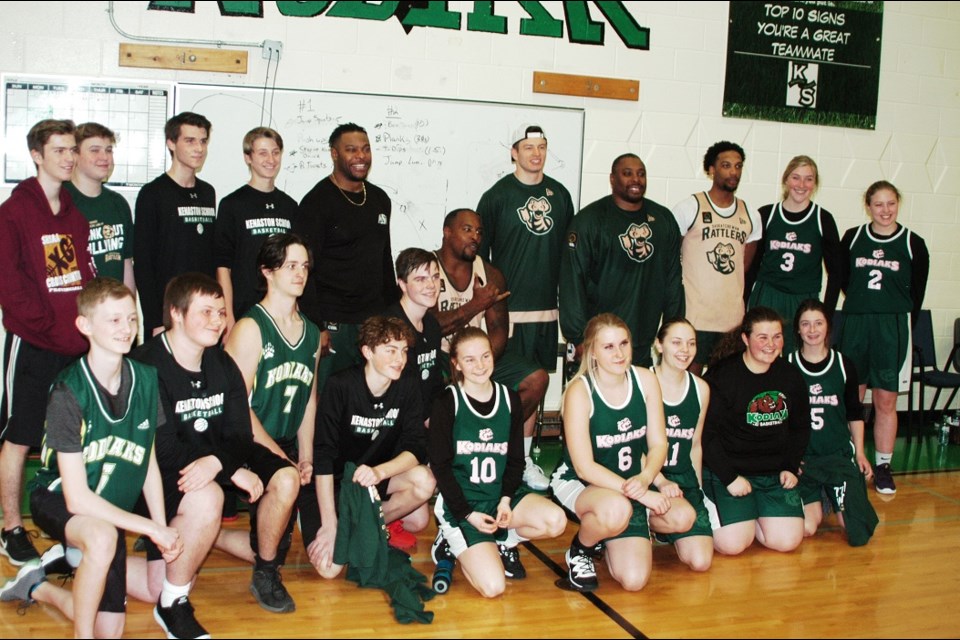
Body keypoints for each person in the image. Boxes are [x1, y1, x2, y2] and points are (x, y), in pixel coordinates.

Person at [0, 278, 182, 639]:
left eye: (131, 319)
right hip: (57, 499)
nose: (126, 328)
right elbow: (77, 498)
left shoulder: (147, 379)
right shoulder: (68, 390)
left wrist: (161, 528)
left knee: (146, 596)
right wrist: (148, 528)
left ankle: (38, 584)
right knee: (100, 538)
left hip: (107, 514)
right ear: (85, 325)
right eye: (113, 320)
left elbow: (146, 462)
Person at [0, 119, 95, 565]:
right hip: (34, 345)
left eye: (72, 149)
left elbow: (83, 278)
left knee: (67, 442)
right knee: (21, 437)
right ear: (37, 155)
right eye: (59, 150)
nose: (69, 157)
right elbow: (11, 287)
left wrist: (88, 327)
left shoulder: (74, 214)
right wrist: (50, 329)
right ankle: (10, 527)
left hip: (73, 346)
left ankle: (66, 523)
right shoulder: (15, 212)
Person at [551, 314, 693, 592]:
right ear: (592, 351)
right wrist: (641, 491)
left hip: (631, 484)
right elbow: (584, 468)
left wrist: (648, 477)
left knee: (681, 519)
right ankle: (581, 549)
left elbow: (658, 445)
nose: (619, 353)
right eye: (608, 347)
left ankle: (617, 529)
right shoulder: (579, 391)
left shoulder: (645, 380)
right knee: (616, 509)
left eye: (624, 343)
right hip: (583, 484)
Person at [429, 327, 566, 597]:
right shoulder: (447, 402)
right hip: (464, 505)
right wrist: (466, 514)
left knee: (556, 521)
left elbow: (516, 460)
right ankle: (450, 539)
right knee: (492, 588)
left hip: (499, 497)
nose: (479, 366)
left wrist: (505, 500)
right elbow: (440, 467)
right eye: (470, 360)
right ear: (456, 363)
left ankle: (503, 542)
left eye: (485, 356)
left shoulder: (509, 398)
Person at [223, 234, 319, 605]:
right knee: (284, 480)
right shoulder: (251, 327)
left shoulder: (310, 331)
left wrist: (305, 453)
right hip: (246, 438)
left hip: (285, 441)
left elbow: (309, 398)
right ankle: (265, 577)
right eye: (290, 266)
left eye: (304, 266)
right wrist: (281, 456)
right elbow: (235, 407)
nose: (300, 273)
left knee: (270, 544)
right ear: (268, 271)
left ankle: (210, 538)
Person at [431, 208, 550, 491]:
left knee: (536, 379)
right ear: (447, 232)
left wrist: (480, 366)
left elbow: (498, 331)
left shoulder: (491, 274)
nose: (475, 237)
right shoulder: (428, 269)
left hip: (479, 356)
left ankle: (512, 455)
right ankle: (442, 461)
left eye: (479, 232)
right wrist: (475, 305)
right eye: (467, 229)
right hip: (437, 355)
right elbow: (430, 327)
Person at [309, 316, 435, 576]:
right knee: (329, 570)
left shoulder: (408, 384)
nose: (399, 359)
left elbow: (416, 446)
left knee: (423, 492)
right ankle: (329, 522)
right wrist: (330, 523)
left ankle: (362, 527)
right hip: (335, 484)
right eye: (390, 350)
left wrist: (380, 472)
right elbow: (322, 455)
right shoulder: (340, 386)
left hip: (371, 478)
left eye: (403, 351)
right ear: (367, 352)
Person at [838, 181, 929, 496]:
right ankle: (852, 461)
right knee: (854, 397)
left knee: (886, 400)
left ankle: (883, 466)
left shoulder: (913, 243)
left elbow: (917, 294)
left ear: (898, 204)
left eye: (891, 203)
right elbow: (844, 281)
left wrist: (893, 318)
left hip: (892, 326)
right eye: (879, 204)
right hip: (856, 323)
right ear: (868, 205)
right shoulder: (852, 238)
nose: (885, 210)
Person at [298, 123, 399, 394]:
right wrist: (316, 326)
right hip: (334, 325)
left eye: (366, 149)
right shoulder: (315, 203)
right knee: (329, 402)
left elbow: (384, 259)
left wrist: (393, 318)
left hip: (373, 323)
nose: (361, 156)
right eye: (351, 150)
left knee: (368, 400)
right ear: (334, 154)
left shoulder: (379, 199)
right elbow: (304, 271)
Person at [701, 307, 810, 555]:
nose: (771, 344)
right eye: (762, 337)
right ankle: (720, 507)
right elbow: (706, 435)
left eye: (777, 336)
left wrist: (790, 467)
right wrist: (729, 477)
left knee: (787, 542)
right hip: (729, 474)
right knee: (732, 545)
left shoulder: (790, 376)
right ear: (745, 339)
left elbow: (801, 426)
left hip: (773, 475)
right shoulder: (722, 376)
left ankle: (758, 517)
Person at [560, 153, 683, 367]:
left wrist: (674, 331)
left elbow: (673, 280)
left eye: (641, 174)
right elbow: (572, 281)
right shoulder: (590, 221)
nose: (636, 179)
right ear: (612, 179)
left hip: (642, 340)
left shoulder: (663, 220)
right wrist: (578, 337)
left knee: (637, 397)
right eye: (627, 173)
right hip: (600, 340)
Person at [476, 124, 574, 383]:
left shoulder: (561, 195)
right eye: (529, 147)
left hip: (546, 310)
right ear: (514, 153)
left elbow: (568, 255)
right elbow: (480, 260)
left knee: (537, 383)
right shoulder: (496, 197)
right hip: (509, 311)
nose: (536, 153)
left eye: (542, 147)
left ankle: (528, 428)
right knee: (507, 384)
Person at [787, 299, 878, 546]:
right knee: (806, 528)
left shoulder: (843, 364)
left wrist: (860, 452)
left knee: (855, 529)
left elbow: (854, 413)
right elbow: (782, 421)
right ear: (798, 329)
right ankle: (822, 496)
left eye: (818, 323)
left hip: (837, 456)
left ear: (828, 327)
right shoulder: (788, 365)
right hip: (805, 461)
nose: (812, 330)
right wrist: (788, 459)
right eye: (805, 324)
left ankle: (832, 494)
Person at [672, 141, 762, 373]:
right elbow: (671, 257)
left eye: (738, 166)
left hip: (731, 319)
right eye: (726, 165)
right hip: (695, 315)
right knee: (690, 382)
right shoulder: (690, 207)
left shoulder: (750, 213)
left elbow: (745, 264)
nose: (733, 172)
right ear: (711, 169)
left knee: (725, 384)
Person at [744, 155, 841, 352]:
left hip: (803, 298)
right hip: (768, 293)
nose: (802, 184)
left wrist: (826, 312)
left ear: (815, 184)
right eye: (796, 177)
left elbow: (836, 272)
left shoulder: (823, 219)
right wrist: (743, 302)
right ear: (786, 180)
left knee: (796, 358)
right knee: (761, 352)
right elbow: (752, 266)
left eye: (809, 178)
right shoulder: (767, 214)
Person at [135, 112, 216, 337]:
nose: (198, 148)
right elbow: (143, 263)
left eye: (203, 141)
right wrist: (155, 319)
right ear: (171, 143)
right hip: (169, 315)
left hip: (203, 310)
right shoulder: (153, 194)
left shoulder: (208, 192)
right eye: (190, 141)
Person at [215, 126, 299, 340]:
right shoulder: (232, 205)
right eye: (262, 153)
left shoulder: (289, 206)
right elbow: (223, 266)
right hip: (245, 311)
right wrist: (228, 316)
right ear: (248, 158)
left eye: (276, 152)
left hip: (282, 310)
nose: (270, 159)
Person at [651, 318, 714, 571]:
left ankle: (663, 529)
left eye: (691, 344)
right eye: (676, 342)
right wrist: (658, 481)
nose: (684, 350)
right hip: (647, 478)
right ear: (659, 345)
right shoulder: (643, 382)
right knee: (680, 517)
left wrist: (698, 491)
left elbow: (695, 444)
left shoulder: (701, 389)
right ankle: (640, 522)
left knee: (701, 562)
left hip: (682, 477)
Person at [64, 122, 136, 293]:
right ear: (75, 155)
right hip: (76, 311)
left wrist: (130, 313)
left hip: (113, 312)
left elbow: (126, 264)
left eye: (109, 150)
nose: (105, 157)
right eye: (95, 150)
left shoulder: (118, 203)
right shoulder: (60, 201)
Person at [384, 248, 445, 417]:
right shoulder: (391, 326)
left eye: (435, 277)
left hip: (422, 418)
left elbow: (435, 383)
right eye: (420, 279)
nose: (431, 285)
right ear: (402, 284)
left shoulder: (432, 325)